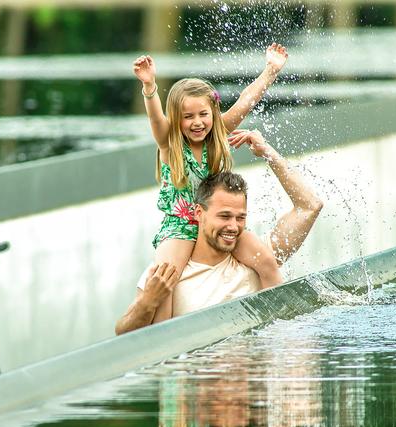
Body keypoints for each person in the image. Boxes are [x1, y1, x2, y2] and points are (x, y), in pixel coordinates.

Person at [133, 43, 289, 324]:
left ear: (213, 113)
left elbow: (245, 102)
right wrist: (149, 87)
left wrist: (271, 71)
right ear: (177, 119)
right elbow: (156, 118)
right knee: (166, 279)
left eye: (203, 114)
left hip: (216, 221)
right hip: (181, 226)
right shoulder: (171, 145)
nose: (197, 122)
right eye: (188, 116)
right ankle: (165, 344)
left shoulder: (218, 134)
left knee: (266, 260)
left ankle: (277, 321)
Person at [115, 129, 323, 335]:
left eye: (240, 217)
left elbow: (310, 206)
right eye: (224, 216)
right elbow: (122, 334)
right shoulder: (169, 270)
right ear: (198, 212)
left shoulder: (258, 257)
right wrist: (148, 302)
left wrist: (268, 152)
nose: (233, 226)